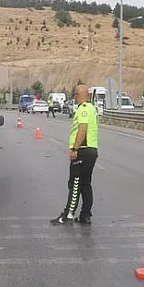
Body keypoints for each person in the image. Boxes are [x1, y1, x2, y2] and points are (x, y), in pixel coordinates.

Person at [50, 83, 99, 226]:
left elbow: (82, 130)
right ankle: (85, 215)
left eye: (76, 95)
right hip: (91, 151)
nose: (75, 97)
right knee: (86, 184)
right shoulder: (91, 108)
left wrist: (75, 149)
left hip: (82, 151)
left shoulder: (83, 109)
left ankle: (68, 214)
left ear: (81, 95)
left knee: (75, 184)